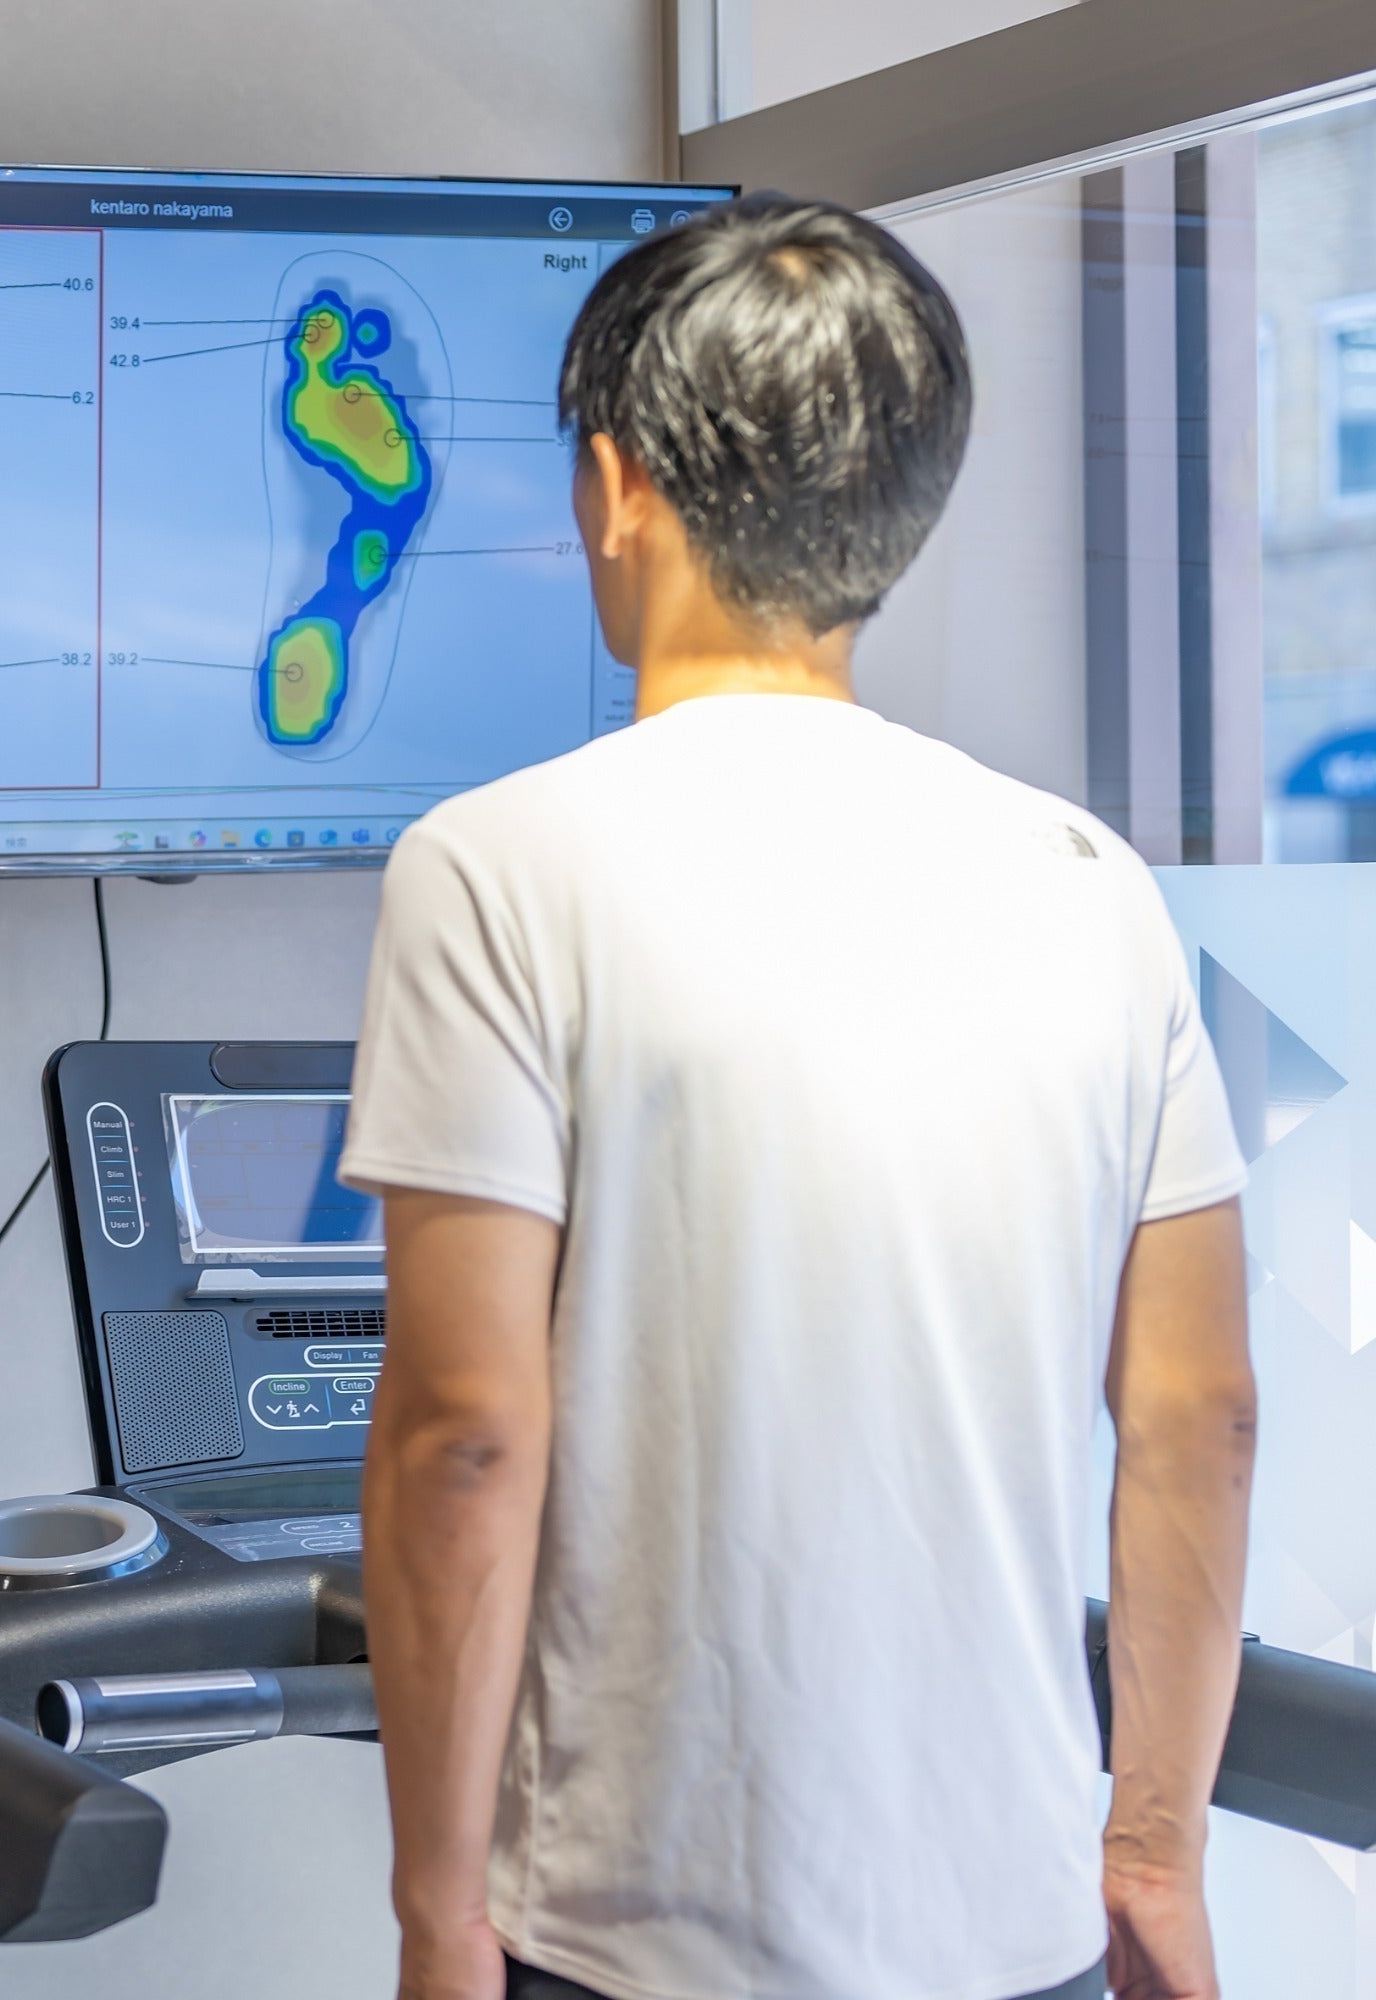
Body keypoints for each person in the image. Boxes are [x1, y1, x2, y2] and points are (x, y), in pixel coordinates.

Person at [342, 196, 1258, 2000]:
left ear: (619, 487)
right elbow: (1199, 1416)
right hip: (1021, 1938)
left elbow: (465, 1433)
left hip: (635, 1939)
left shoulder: (497, 868)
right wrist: (1153, 1846)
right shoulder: (1088, 883)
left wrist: (439, 1910)